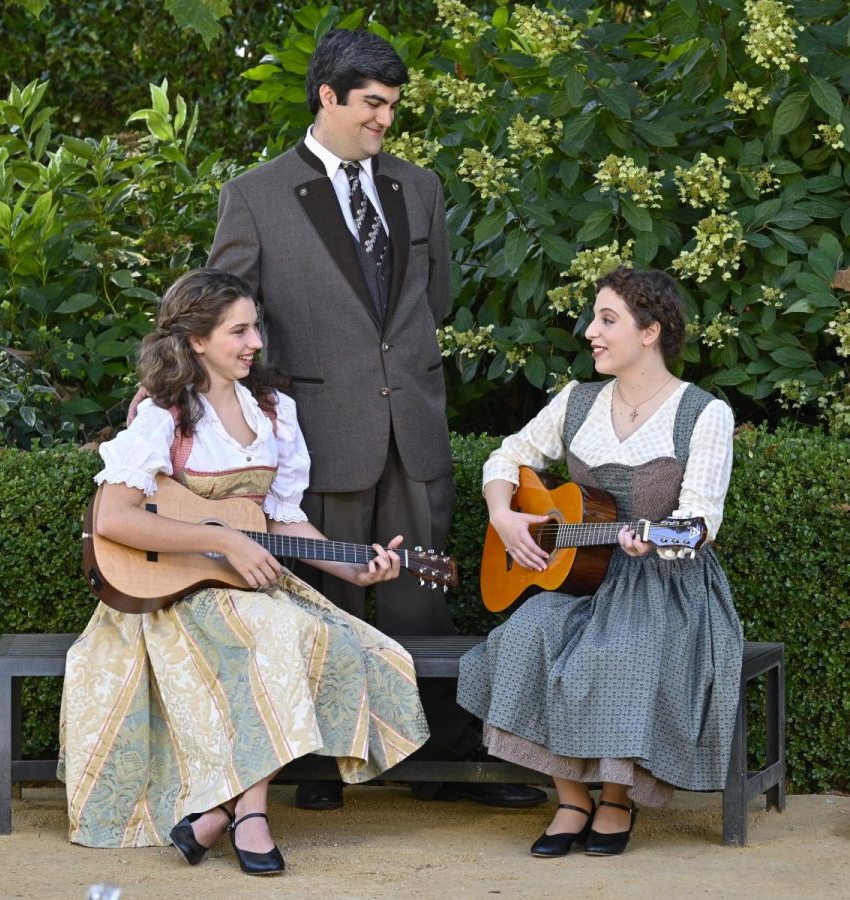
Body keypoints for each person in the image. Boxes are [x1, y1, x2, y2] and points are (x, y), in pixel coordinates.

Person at [202, 27, 546, 811]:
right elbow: (220, 313)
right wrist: (176, 391)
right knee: (330, 596)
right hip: (318, 429)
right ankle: (322, 762)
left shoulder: (417, 186)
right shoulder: (254, 193)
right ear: (327, 96)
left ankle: (437, 763)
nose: (385, 120)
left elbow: (435, 297)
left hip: (414, 424)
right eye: (372, 104)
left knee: (421, 595)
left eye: (392, 105)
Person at [60, 268, 430, 875]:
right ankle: (250, 815)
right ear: (197, 341)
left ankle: (219, 815)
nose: (254, 341)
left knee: (342, 643)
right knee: (281, 636)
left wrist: (353, 563)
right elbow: (116, 520)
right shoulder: (164, 414)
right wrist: (224, 539)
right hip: (176, 593)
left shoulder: (274, 410)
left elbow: (281, 521)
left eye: (254, 326)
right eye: (239, 330)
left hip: (248, 583)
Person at [457, 267, 743, 856]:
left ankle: (617, 798)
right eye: (594, 318)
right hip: (587, 578)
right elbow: (506, 457)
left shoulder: (702, 412)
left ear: (650, 332)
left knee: (621, 652)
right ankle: (571, 798)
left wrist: (656, 540)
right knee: (525, 634)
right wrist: (502, 516)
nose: (591, 331)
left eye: (607, 320)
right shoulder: (577, 401)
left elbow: (699, 523)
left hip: (666, 583)